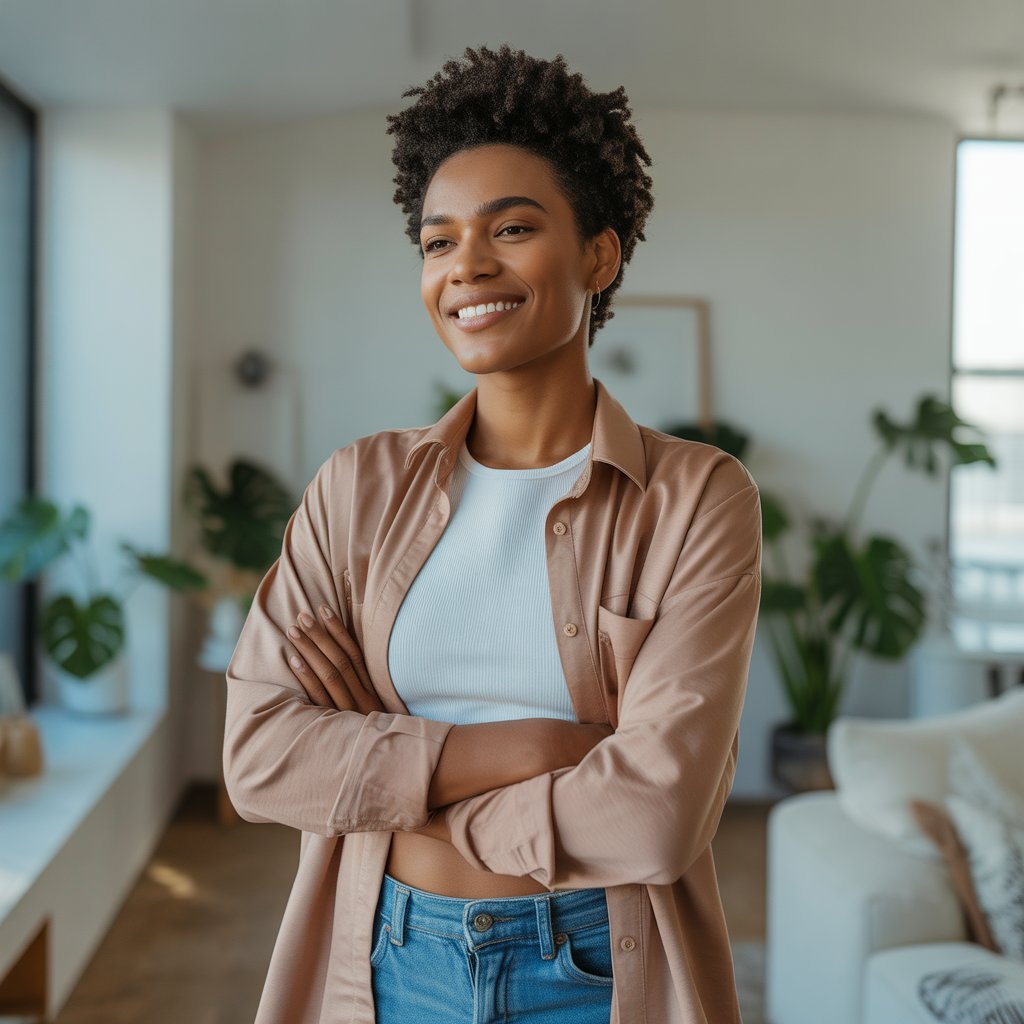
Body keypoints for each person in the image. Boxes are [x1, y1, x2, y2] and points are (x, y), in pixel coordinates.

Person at [223, 44, 762, 1024]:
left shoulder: (695, 497)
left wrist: (387, 774)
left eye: (510, 228)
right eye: (437, 242)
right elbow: (260, 755)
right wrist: (534, 746)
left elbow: (653, 816)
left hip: (595, 964)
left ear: (598, 253)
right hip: (385, 955)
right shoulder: (357, 489)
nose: (466, 265)